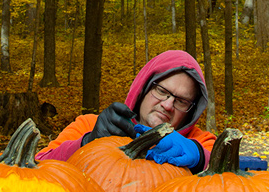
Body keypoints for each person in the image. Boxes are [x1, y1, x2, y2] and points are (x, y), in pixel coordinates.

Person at [36, 50, 216, 173]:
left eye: (182, 101)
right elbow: (39, 167)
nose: (168, 105)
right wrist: (86, 143)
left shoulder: (199, 141)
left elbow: (232, 185)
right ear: (144, 88)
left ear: (191, 111)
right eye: (161, 91)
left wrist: (201, 158)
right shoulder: (88, 125)